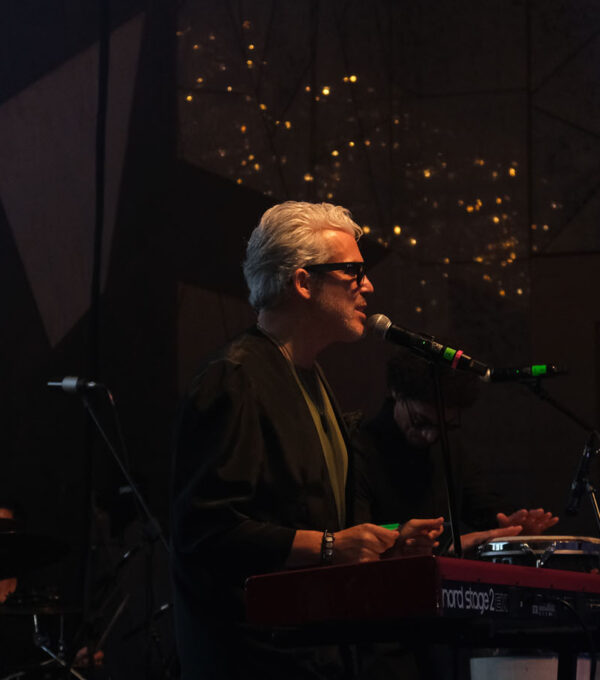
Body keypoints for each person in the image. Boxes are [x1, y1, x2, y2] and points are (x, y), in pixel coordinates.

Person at [170, 201, 444, 680]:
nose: (368, 286)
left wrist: (384, 544)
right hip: (254, 658)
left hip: (311, 652)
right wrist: (332, 546)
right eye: (353, 272)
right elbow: (204, 530)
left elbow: (309, 519)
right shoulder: (234, 377)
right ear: (302, 282)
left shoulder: (310, 377)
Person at [352, 348, 559, 554]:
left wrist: (508, 524)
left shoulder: (449, 448)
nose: (430, 436)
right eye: (420, 421)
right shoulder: (360, 448)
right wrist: (437, 541)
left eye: (445, 426)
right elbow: (355, 534)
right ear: (396, 393)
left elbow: (479, 502)